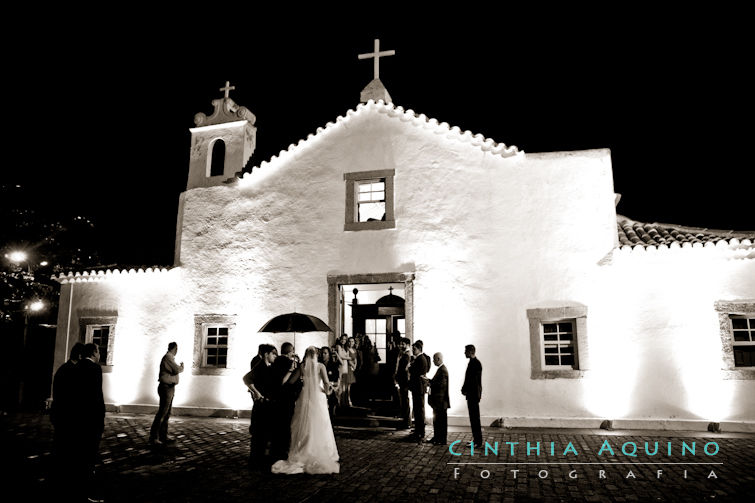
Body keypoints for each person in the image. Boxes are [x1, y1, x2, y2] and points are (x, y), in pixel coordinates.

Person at [271, 346, 340, 475]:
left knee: (304, 423)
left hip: (304, 397)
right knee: (320, 424)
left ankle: (302, 449)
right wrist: (330, 390)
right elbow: (325, 383)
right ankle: (319, 450)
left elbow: (290, 382)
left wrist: (294, 373)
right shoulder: (320, 367)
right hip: (318, 397)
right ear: (316, 355)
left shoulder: (302, 366)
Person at [50, 342, 84, 496]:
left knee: (62, 444)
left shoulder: (66, 368)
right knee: (63, 444)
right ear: (79, 356)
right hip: (65, 414)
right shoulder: (70, 370)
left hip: (63, 413)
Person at [77, 343, 106, 502]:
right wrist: (101, 417)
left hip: (77, 418)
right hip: (91, 418)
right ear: (94, 353)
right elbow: (97, 395)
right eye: (98, 351)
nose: (100, 355)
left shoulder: (76, 367)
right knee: (89, 454)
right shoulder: (95, 369)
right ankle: (88, 491)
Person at [269, 342, 303, 462]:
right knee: (286, 425)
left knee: (276, 425)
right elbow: (294, 383)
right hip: (287, 398)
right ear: (290, 351)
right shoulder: (291, 364)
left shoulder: (274, 362)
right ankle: (283, 450)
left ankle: (274, 450)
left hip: (275, 398)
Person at [149, 342, 184, 447]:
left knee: (167, 413)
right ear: (174, 348)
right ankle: (154, 437)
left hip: (170, 387)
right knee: (162, 413)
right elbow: (176, 369)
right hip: (166, 387)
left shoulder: (170, 358)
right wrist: (182, 366)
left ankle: (163, 436)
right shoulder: (168, 357)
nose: (177, 351)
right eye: (176, 348)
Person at [248, 344, 277, 468]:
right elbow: (247, 379)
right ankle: (255, 458)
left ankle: (260, 457)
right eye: (273, 354)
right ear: (266, 354)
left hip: (266, 403)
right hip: (261, 404)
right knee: (259, 431)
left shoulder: (268, 367)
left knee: (264, 430)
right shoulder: (259, 366)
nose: (275, 356)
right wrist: (256, 392)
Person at [462, 344, 483, 447]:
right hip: (472, 394)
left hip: (473, 395)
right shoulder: (473, 363)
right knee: (473, 418)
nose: (464, 353)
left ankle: (478, 441)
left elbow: (473, 382)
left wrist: (465, 389)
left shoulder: (475, 364)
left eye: (465, 351)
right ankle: (476, 439)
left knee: (475, 418)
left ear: (471, 352)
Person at [408, 341, 429, 442]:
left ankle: (420, 432)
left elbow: (415, 372)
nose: (413, 351)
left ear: (419, 349)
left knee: (419, 410)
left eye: (414, 349)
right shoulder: (420, 359)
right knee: (418, 410)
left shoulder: (420, 359)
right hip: (417, 387)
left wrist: (410, 367)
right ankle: (419, 430)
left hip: (418, 387)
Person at [427, 352, 449, 445]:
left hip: (440, 401)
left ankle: (440, 439)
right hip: (439, 401)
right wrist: (429, 381)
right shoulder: (441, 369)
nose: (433, 361)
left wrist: (430, 383)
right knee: (438, 421)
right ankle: (437, 438)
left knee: (440, 422)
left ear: (438, 359)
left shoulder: (442, 370)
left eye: (434, 359)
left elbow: (441, 386)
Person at [393, 337, 412, 429]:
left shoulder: (407, 355)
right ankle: (405, 420)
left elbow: (404, 369)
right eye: (401, 344)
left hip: (404, 381)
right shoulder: (402, 354)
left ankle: (407, 422)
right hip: (401, 380)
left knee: (405, 400)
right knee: (403, 401)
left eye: (403, 344)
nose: (401, 346)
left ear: (407, 345)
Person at [320, 346, 339, 420]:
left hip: (330, 388)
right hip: (320, 388)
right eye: (322, 353)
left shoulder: (333, 365)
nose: (323, 355)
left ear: (329, 355)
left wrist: (331, 384)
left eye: (325, 353)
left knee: (331, 404)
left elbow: (336, 380)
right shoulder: (318, 364)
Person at [335, 335, 353, 407]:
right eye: (342, 339)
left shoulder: (346, 348)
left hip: (345, 366)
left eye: (345, 340)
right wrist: (348, 358)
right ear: (340, 339)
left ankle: (344, 401)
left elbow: (346, 356)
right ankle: (338, 401)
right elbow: (340, 356)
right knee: (339, 383)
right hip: (340, 366)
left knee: (344, 385)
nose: (343, 341)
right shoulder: (338, 346)